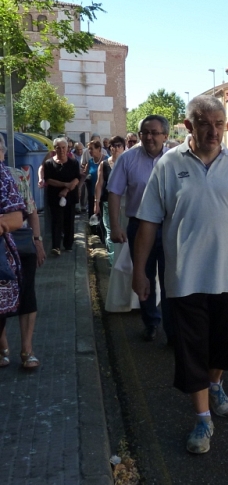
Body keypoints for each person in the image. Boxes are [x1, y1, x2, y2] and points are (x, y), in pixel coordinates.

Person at [132, 94, 228, 455]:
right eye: (205, 124)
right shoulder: (168, 165)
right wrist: (140, 272)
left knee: (224, 343)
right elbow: (148, 223)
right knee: (191, 349)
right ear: (189, 126)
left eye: (220, 124)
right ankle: (202, 419)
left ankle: (216, 383)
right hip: (184, 277)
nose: (214, 131)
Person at [107, 115, 173, 343]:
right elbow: (114, 192)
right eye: (145, 132)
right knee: (143, 276)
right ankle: (151, 323)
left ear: (165, 135)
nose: (149, 137)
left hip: (169, 229)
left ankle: (173, 330)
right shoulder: (127, 159)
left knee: (170, 279)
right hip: (138, 226)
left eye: (155, 132)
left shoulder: (176, 160)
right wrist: (115, 226)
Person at [0, 134, 45, 369]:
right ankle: (3, 346)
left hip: (19, 244)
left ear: (3, 153)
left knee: (27, 296)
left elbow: (31, 211)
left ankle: (27, 349)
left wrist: (37, 240)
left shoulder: (15, 176)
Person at [43, 138, 80, 256]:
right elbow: (48, 180)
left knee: (69, 221)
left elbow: (76, 179)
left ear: (67, 148)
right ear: (55, 149)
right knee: (56, 221)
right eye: (58, 148)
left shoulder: (73, 163)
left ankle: (68, 245)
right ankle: (56, 246)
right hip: (55, 197)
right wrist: (64, 184)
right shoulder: (49, 163)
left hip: (70, 196)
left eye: (64, 147)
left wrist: (67, 189)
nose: (62, 150)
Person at [95, 136, 125, 265]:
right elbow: (99, 184)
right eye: (113, 145)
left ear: (124, 148)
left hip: (124, 204)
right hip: (107, 202)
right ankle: (113, 262)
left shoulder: (127, 162)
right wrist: (96, 203)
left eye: (119, 145)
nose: (116, 148)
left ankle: (123, 259)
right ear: (110, 148)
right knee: (109, 231)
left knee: (124, 230)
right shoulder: (104, 164)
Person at [82, 140, 107, 219]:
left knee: (103, 217)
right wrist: (79, 187)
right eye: (88, 149)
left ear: (98, 148)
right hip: (92, 194)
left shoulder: (106, 160)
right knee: (93, 217)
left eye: (91, 149)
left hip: (104, 194)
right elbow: (84, 175)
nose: (89, 151)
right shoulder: (90, 162)